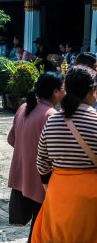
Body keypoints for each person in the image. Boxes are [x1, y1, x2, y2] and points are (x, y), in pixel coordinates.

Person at [32, 66, 97, 242]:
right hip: (91, 199)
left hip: (58, 193)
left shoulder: (52, 121)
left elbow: (42, 162)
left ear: (66, 89)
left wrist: (49, 186)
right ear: (91, 91)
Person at [7, 72, 65, 242]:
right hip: (42, 180)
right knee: (41, 229)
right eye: (63, 89)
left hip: (23, 176)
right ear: (55, 92)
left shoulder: (24, 107)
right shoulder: (51, 115)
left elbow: (12, 139)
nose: (64, 93)